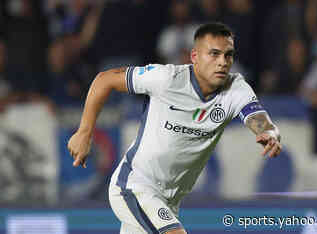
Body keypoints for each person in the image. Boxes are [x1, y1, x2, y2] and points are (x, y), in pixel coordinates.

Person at [67, 23, 282, 234]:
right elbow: (105, 79)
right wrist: (85, 132)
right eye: (214, 54)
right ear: (195, 57)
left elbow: (258, 117)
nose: (222, 62)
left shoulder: (236, 88)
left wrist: (269, 133)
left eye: (228, 55)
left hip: (170, 201)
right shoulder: (166, 79)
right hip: (135, 187)